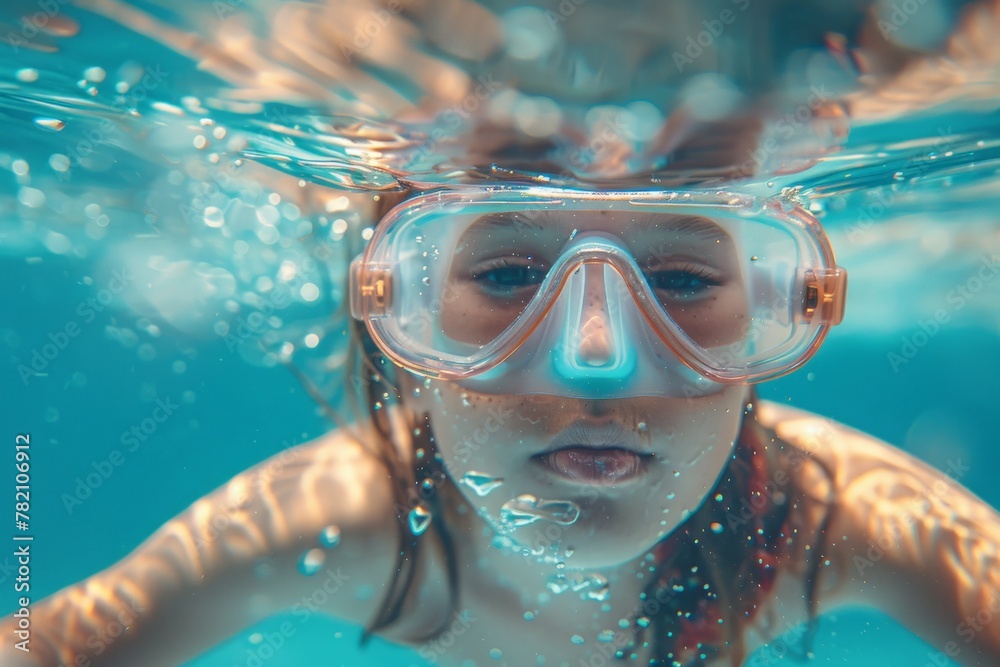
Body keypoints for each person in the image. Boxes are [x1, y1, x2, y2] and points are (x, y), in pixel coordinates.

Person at [4, 1, 1000, 666]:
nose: (596, 359)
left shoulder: (834, 520)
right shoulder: (336, 522)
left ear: (786, 312)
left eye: (686, 279)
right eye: (512, 273)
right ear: (399, 307)